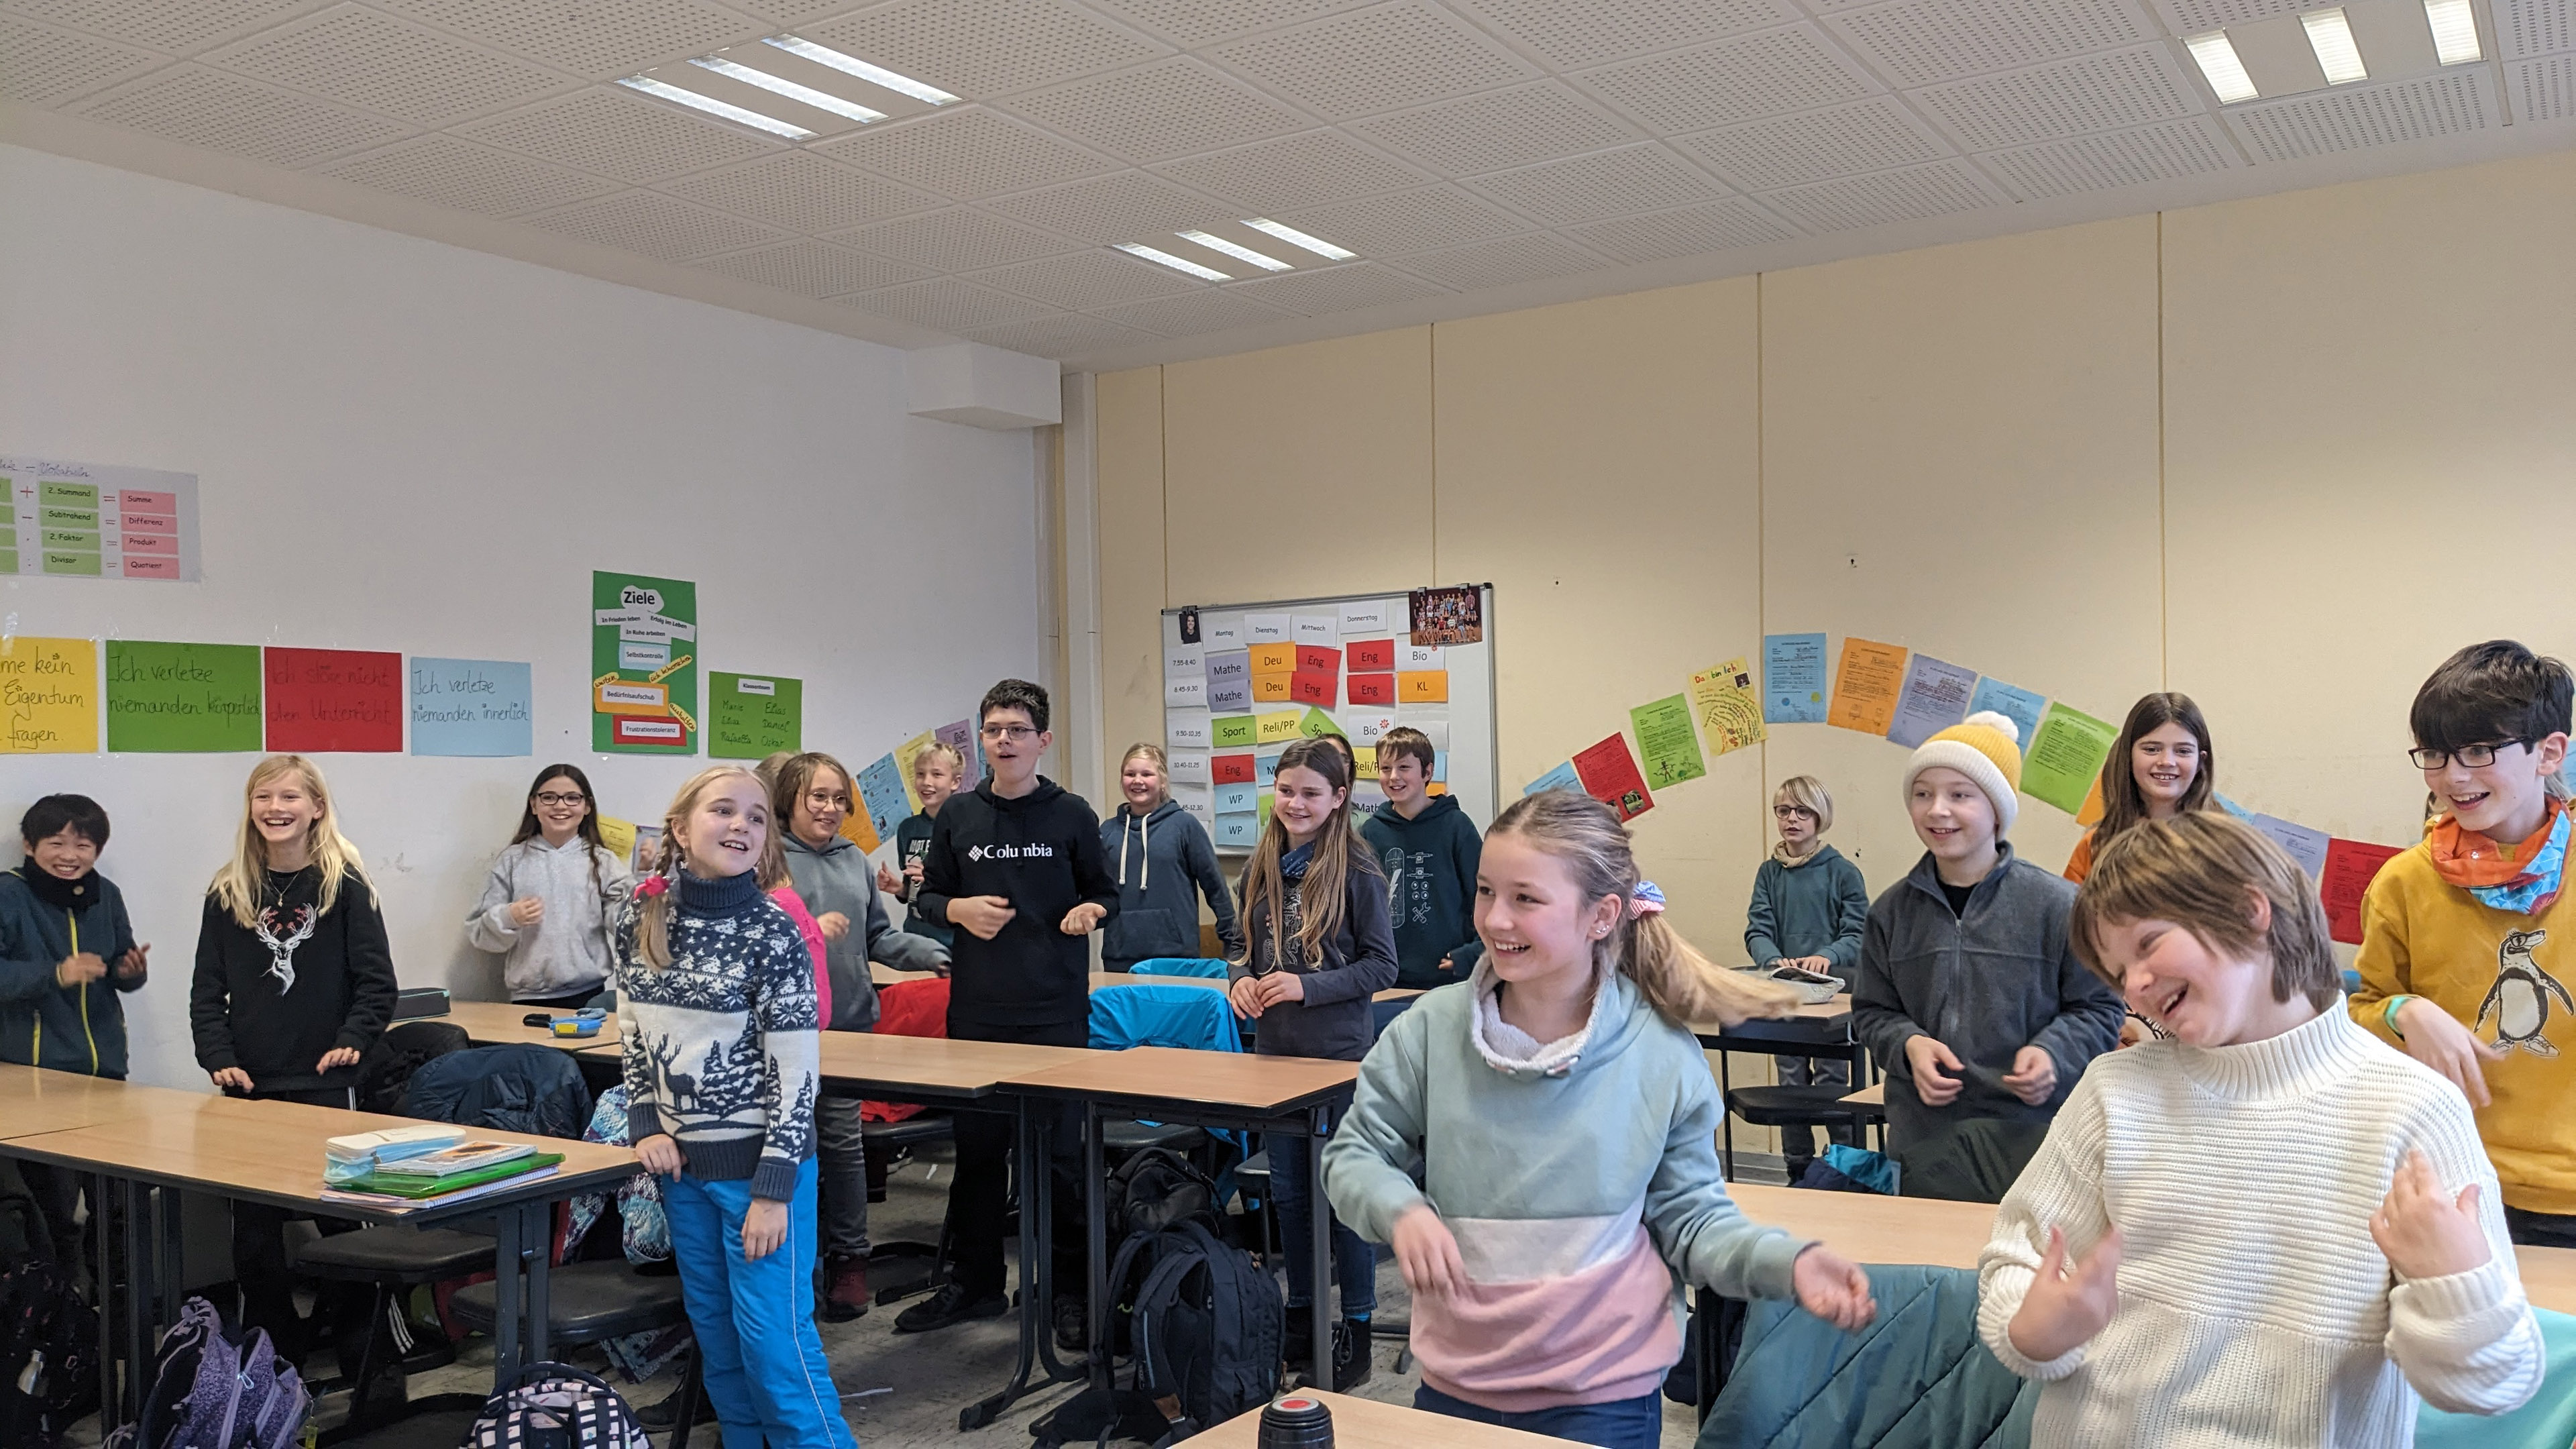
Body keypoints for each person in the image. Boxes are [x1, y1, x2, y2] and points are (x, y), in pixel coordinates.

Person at [1324, 790, 1877, 1448]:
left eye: (1526, 899)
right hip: (1454, 1389)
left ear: (1601, 915)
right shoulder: (1431, 1029)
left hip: (1603, 1402)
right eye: (1485, 892)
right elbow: (1354, 1154)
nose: (1495, 920)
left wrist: (1785, 1263)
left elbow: (1694, 1221)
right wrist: (1401, 1210)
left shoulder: (1661, 1054)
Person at [1983, 812, 2541, 1443]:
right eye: (2116, 974)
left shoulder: (2413, 1108)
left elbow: (2497, 1382)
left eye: (2148, 944)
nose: (2133, 987)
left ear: (2251, 912)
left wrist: (2454, 1281)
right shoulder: (2115, 1088)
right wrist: (2033, 1330)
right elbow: (2016, 1256)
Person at [619, 765, 851, 1449]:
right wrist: (645, 1122)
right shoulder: (641, 914)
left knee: (775, 1349)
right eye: (724, 811)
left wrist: (775, 1189)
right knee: (718, 1341)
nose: (742, 827)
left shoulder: (773, 931)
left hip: (763, 1177)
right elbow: (632, 1028)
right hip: (687, 1173)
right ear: (680, 828)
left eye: (756, 817)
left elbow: (797, 1072)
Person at [896, 680, 1117, 1345]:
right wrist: (956, 910)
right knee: (980, 1155)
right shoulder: (958, 815)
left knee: (1060, 1161)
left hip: (1053, 1014)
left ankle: (1069, 1294)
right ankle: (975, 1284)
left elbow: (1106, 893)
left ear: (1042, 740)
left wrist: (1092, 911)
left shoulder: (1071, 814)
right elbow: (926, 900)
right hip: (979, 1013)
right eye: (993, 729)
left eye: (1018, 729)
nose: (1004, 740)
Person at [2351, 641, 2576, 1247]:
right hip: (2456, 1179)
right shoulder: (2404, 882)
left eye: (2480, 751)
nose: (2453, 776)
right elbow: (2355, 1019)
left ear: (2548, 752)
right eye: (2436, 754)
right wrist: (2403, 1010)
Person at [1851, 712, 2125, 1202]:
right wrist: (1909, 1044)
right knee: (1934, 1269)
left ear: (1997, 810)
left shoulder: (2058, 906)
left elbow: (2100, 1008)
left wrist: (2053, 1054)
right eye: (1923, 793)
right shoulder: (1890, 913)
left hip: (2037, 1139)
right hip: (1927, 1142)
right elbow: (1873, 1011)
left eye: (1960, 795)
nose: (1938, 810)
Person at [190, 755, 398, 1363]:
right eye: (263, 797)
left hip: (329, 1083)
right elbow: (207, 988)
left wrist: (355, 1039)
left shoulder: (346, 886)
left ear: (316, 809)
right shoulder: (228, 891)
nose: (275, 809)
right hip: (251, 1085)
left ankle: (369, 1352)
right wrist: (216, 1054)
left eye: (288, 797)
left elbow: (377, 985)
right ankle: (275, 1351)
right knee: (254, 1238)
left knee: (348, 1228)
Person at [1230, 738, 1399, 1389]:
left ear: (1338, 800)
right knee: (1291, 1196)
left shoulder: (1359, 871)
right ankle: (1302, 1316)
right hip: (1275, 1056)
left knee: (1343, 1199)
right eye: (1285, 790)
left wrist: (1307, 986)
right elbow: (1243, 945)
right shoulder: (1261, 865)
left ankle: (1354, 1325)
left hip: (1337, 1062)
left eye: (1310, 793)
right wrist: (1241, 978)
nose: (1295, 803)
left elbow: (1382, 965)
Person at [771, 750, 950, 1320]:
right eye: (816, 797)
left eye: (838, 799)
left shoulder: (854, 859)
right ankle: (796, 1267)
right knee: (789, 1154)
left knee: (843, 1151)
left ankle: (850, 1259)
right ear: (789, 801)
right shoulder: (763, 860)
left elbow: (878, 937)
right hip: (780, 1038)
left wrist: (934, 953)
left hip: (848, 1028)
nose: (829, 808)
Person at [0, 793, 148, 1267]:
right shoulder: (9, 893)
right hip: (38, 1081)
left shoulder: (107, 894)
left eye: (83, 845)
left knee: (119, 1207)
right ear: (29, 844)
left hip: (104, 1074)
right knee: (55, 1214)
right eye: (56, 842)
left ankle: (117, 1310)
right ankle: (63, 1318)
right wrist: (55, 974)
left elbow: (121, 970)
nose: (70, 856)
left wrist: (130, 971)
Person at [1741, 775, 1869, 1181]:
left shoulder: (1843, 872)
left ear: (1820, 817)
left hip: (1834, 998)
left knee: (1835, 1083)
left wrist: (1825, 957)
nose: (1791, 819)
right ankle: (1797, 1170)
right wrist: (1773, 959)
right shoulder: (1769, 873)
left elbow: (1857, 932)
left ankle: (1847, 1172)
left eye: (1802, 811)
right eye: (1783, 811)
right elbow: (1757, 930)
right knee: (1790, 1083)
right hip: (1786, 995)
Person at [464, 763, 630, 1008]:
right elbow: (478, 931)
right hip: (527, 1000)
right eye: (549, 797)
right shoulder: (513, 860)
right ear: (534, 805)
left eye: (572, 798)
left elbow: (631, 922)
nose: (560, 806)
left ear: (587, 806)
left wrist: (648, 879)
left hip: (591, 996)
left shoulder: (602, 861)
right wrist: (509, 917)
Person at [1358, 727, 1484, 993]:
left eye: (1404, 767)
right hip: (1387, 983)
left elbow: (1486, 897)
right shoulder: (1369, 833)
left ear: (1427, 772)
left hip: (1450, 980)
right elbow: (1360, 907)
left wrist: (1471, 954)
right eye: (1385, 768)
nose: (1394, 777)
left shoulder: (1456, 827)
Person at [1099, 743, 1241, 972]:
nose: (1138, 780)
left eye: (1147, 774)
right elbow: (1095, 891)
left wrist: (1234, 944)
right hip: (1120, 956)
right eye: (1130, 774)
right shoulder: (1108, 831)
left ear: (1163, 780)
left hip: (1177, 957)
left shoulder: (1184, 826)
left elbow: (1215, 888)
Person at [2062, 692, 2218, 885]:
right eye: (2152, 749)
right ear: (2128, 756)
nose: (2167, 762)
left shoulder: (2226, 846)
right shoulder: (2095, 846)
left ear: (2201, 761)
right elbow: (2072, 913)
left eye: (2183, 751)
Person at [881, 742, 963, 949]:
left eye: (937, 774)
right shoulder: (908, 829)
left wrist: (935, 880)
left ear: (955, 782)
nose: (927, 782)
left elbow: (976, 889)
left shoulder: (967, 827)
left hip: (954, 942)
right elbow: (911, 889)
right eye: (920, 774)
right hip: (915, 938)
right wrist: (900, 889)